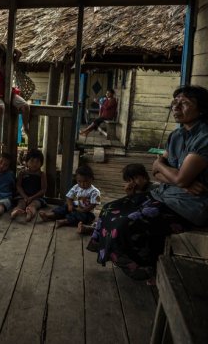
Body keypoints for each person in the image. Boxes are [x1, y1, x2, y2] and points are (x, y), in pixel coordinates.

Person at [87, 86, 208, 281]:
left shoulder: (204, 137)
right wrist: (179, 180)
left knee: (128, 223)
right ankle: (127, 258)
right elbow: (157, 174)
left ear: (202, 110)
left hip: (189, 206)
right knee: (109, 208)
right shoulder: (176, 136)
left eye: (184, 103)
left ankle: (146, 267)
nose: (176, 106)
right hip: (165, 195)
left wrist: (162, 164)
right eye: (175, 101)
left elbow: (172, 174)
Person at [0, 43, 30, 147]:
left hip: (10, 94)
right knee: (0, 108)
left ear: (0, 55)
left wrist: (5, 48)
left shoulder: (9, 64)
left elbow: (19, 53)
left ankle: (25, 127)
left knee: (25, 106)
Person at [11, 148, 47, 222]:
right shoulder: (22, 173)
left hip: (37, 198)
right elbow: (18, 186)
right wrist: (25, 197)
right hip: (23, 196)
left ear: (41, 163)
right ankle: (15, 212)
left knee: (33, 205)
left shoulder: (41, 175)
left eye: (37, 161)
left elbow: (43, 189)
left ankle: (30, 213)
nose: (34, 164)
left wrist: (32, 198)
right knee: (21, 204)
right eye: (32, 161)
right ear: (27, 162)